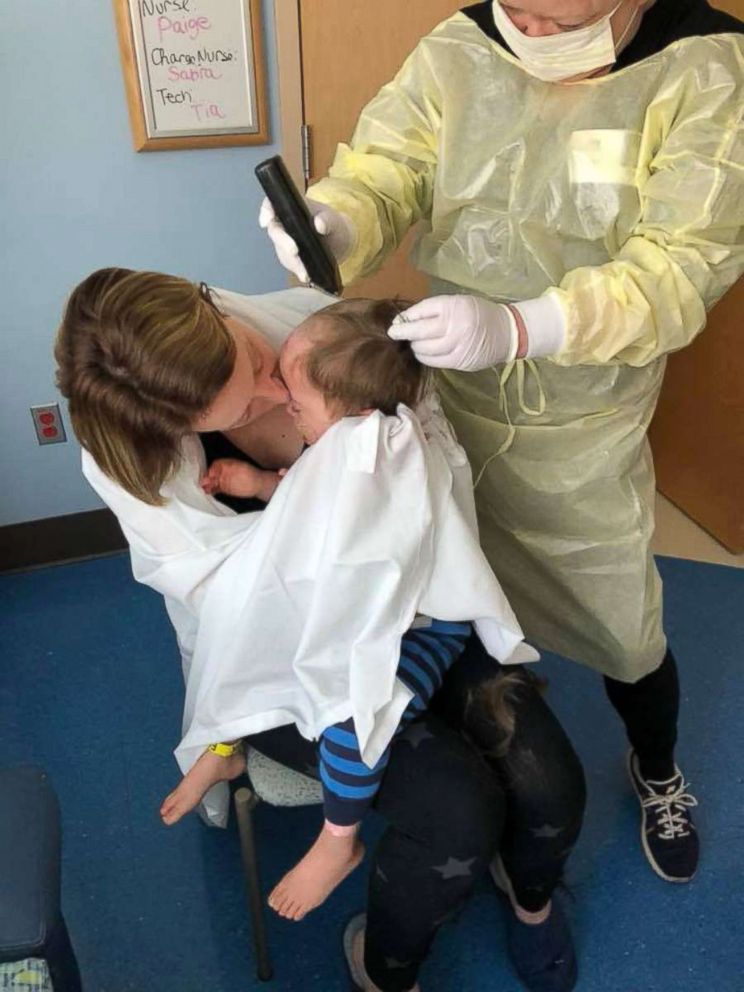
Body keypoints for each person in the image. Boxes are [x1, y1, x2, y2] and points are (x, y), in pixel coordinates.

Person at [261, 0, 744, 886]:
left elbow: (682, 263)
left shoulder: (706, 67)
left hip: (580, 423)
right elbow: (391, 163)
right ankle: (494, 766)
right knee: (451, 596)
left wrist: (529, 325)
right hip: (450, 396)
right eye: (518, 6)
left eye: (557, 15)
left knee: (623, 624)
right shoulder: (462, 44)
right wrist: (338, 216)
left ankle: (657, 765)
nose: (530, 28)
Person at [55, 268, 586, 992]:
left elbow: (416, 486)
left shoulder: (319, 333)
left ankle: (529, 901)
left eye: (262, 366)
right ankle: (386, 967)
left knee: (549, 782)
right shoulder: (140, 469)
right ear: (178, 429)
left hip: (417, 604)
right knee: (457, 815)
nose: (275, 394)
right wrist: (228, 728)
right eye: (242, 404)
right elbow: (237, 603)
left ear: (214, 307)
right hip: (281, 650)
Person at [160, 296, 537, 923]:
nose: (281, 397)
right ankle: (225, 750)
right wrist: (255, 486)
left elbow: (380, 566)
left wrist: (325, 616)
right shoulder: (343, 440)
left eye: (295, 398)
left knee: (353, 715)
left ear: (357, 414)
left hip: (418, 627)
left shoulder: (386, 455)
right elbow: (307, 499)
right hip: (359, 606)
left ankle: (338, 839)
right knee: (245, 630)